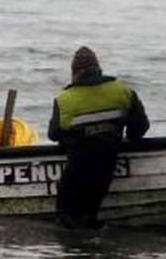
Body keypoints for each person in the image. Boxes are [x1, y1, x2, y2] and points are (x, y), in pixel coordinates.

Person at [47, 46, 150, 229]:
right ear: (98, 68)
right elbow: (140, 126)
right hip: (107, 163)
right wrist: (129, 138)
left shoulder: (64, 100)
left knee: (67, 219)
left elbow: (53, 134)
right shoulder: (123, 91)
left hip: (77, 167)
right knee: (90, 215)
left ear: (74, 72)